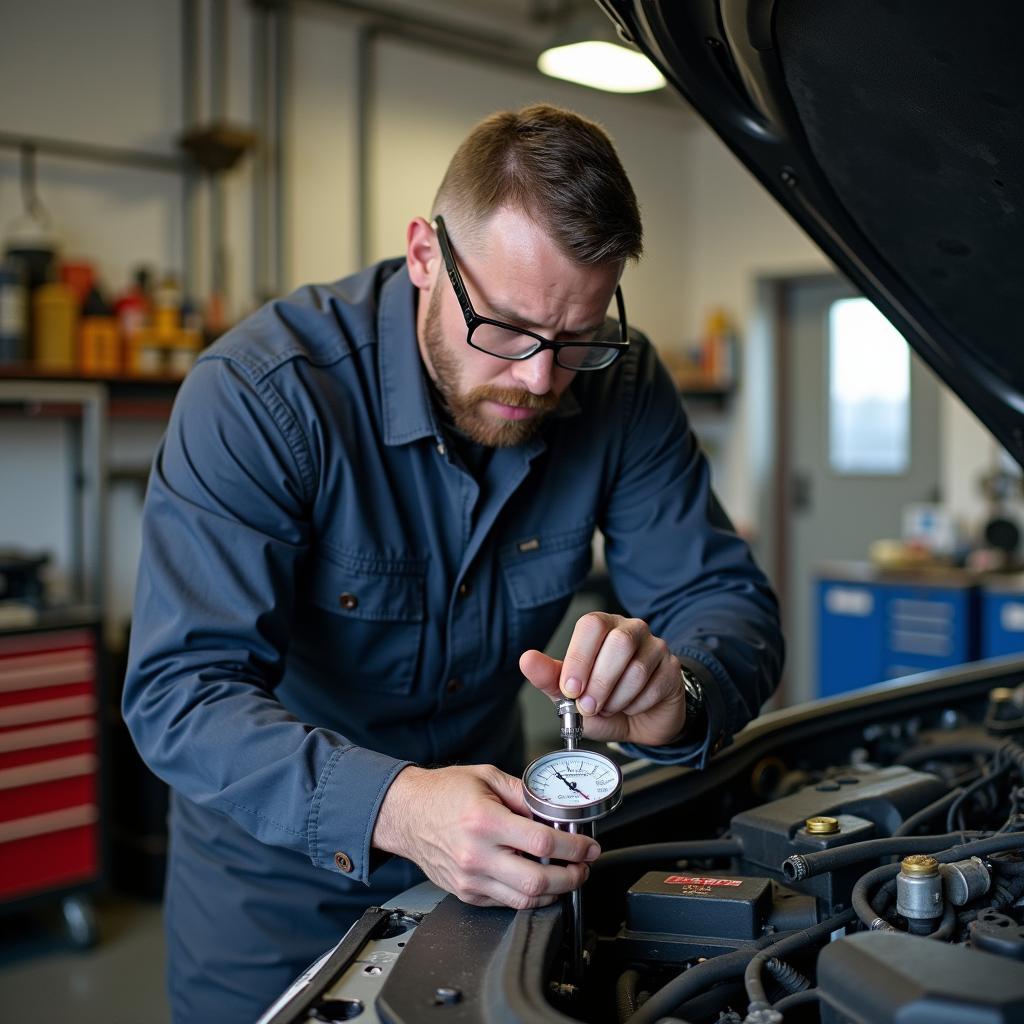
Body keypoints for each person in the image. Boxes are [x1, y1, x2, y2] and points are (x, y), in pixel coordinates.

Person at [123, 103, 783, 1022]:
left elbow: (722, 595)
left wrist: (683, 692)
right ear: (427, 256)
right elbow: (181, 693)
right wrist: (395, 806)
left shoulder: (620, 383)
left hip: (505, 887)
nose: (542, 380)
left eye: (577, 335)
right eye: (508, 330)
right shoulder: (262, 397)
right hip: (274, 904)